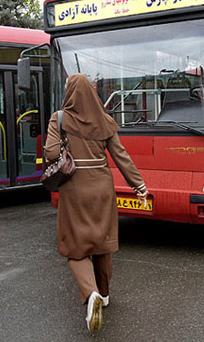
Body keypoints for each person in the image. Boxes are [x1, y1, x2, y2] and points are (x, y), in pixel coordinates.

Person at [44, 73, 148, 334]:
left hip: (74, 188)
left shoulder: (60, 118)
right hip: (103, 186)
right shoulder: (106, 120)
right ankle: (104, 293)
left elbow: (51, 154)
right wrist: (139, 185)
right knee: (102, 243)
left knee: (75, 247)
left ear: (69, 93)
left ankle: (91, 295)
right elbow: (120, 156)